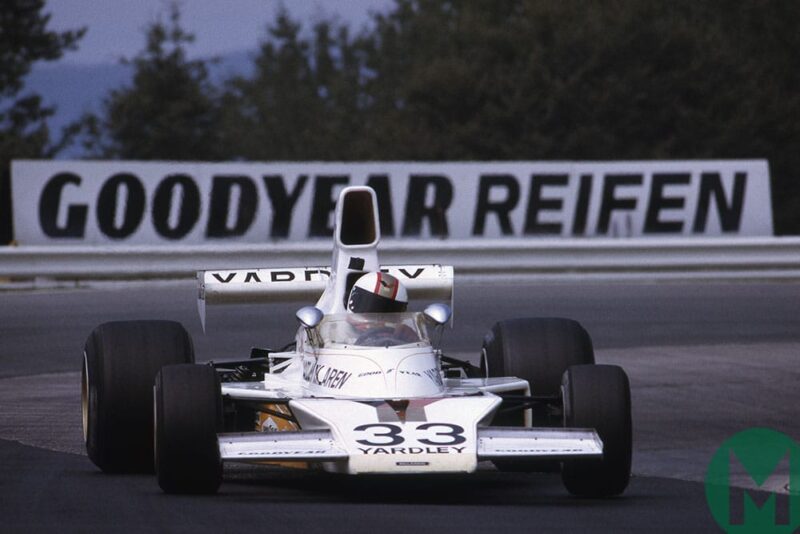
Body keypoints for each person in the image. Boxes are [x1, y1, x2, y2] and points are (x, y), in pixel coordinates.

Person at [345, 272, 418, 346]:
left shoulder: (405, 335)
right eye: (373, 308)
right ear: (354, 302)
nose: (380, 317)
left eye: (390, 310)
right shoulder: (337, 334)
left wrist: (412, 340)